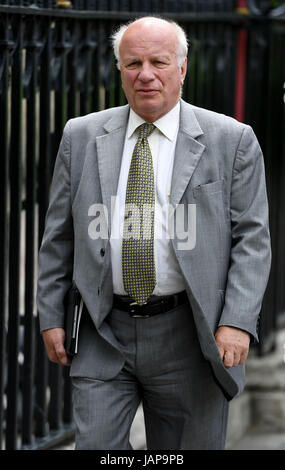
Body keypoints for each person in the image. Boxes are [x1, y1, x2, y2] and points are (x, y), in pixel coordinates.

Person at [37, 16, 271, 450]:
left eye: (158, 62)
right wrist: (50, 314)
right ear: (120, 70)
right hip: (103, 330)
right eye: (133, 63)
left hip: (191, 336)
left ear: (181, 68)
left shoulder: (232, 140)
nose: (145, 75)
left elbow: (252, 240)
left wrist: (237, 321)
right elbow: (59, 235)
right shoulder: (81, 135)